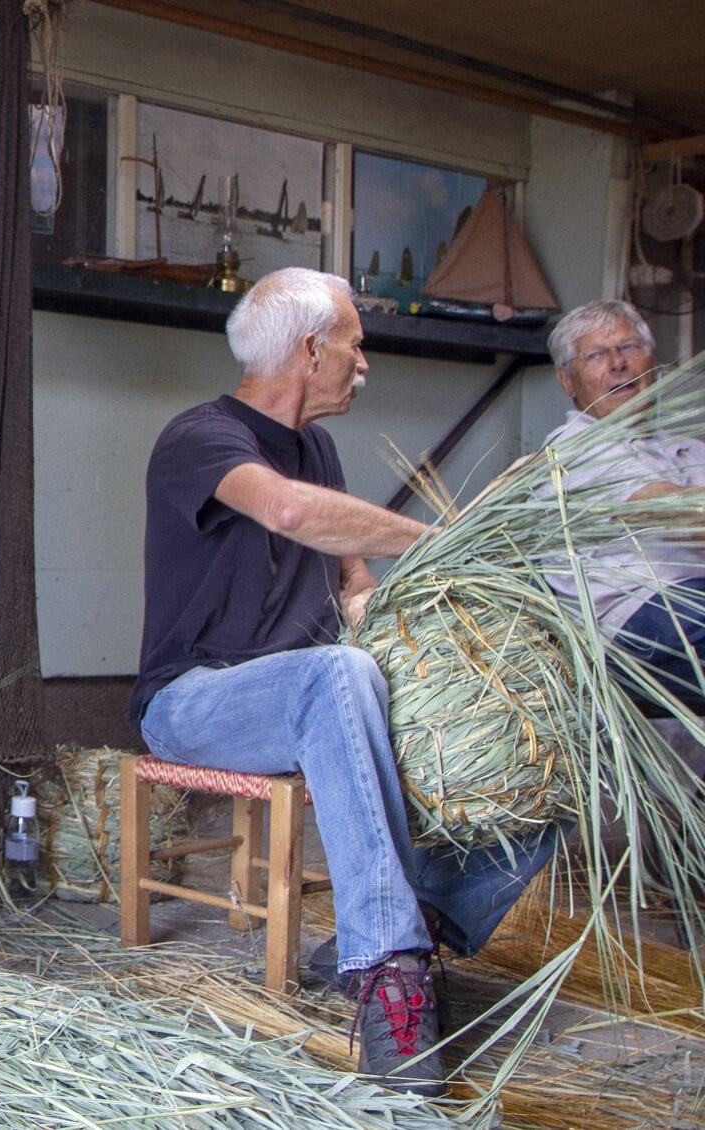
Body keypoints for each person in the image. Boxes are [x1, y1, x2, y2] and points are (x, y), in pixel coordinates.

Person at [129, 267, 556, 1097]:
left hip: (323, 691)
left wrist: (411, 636)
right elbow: (288, 513)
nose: (365, 363)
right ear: (311, 347)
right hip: (195, 700)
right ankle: (389, 978)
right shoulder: (201, 435)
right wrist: (438, 538)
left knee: (543, 746)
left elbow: (352, 581)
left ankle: (419, 918)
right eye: (356, 345)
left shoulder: (316, 446)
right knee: (335, 674)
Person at [537, 300, 705, 707]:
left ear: (653, 360)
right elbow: (686, 517)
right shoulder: (572, 448)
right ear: (567, 380)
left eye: (629, 347)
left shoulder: (690, 450)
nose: (617, 363)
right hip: (632, 626)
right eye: (596, 354)